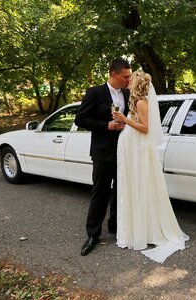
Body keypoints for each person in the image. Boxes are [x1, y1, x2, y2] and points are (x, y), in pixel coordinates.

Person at [112, 71, 189, 263]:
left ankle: (144, 231)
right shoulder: (137, 101)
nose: (127, 81)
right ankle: (139, 230)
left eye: (131, 79)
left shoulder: (141, 102)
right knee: (136, 187)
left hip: (139, 149)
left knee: (141, 187)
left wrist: (124, 119)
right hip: (133, 149)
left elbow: (145, 128)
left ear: (136, 83)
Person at [75, 58, 132, 256]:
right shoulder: (95, 92)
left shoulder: (127, 93)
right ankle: (93, 234)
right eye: (126, 76)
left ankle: (115, 226)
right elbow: (80, 119)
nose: (129, 79)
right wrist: (105, 125)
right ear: (114, 74)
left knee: (120, 190)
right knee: (100, 192)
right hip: (102, 152)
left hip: (123, 150)